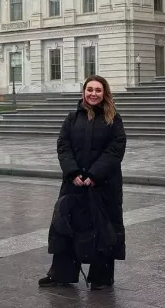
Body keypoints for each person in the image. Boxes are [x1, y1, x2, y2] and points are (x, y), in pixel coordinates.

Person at [39, 75, 127, 291]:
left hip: (103, 185)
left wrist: (94, 174)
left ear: (104, 93)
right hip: (74, 183)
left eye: (98, 90)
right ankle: (61, 274)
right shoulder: (72, 118)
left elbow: (116, 149)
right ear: (84, 92)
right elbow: (63, 145)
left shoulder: (113, 119)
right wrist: (73, 172)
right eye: (90, 90)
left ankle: (102, 278)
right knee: (66, 227)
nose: (93, 94)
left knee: (103, 229)